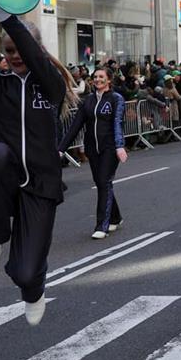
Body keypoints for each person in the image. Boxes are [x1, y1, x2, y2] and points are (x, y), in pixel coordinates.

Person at [0, 0, 72, 326]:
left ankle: (33, 290)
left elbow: (37, 59)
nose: (14, 57)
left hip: (40, 184)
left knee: (26, 272)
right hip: (1, 176)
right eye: (8, 51)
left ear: (35, 50)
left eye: (20, 50)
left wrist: (5, 15)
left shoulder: (50, 85)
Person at [58, 67, 128, 239]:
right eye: (95, 77)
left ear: (109, 80)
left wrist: (119, 146)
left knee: (103, 182)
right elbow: (75, 126)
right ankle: (115, 217)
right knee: (102, 182)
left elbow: (118, 124)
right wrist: (61, 149)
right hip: (92, 148)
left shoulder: (116, 99)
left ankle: (101, 225)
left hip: (110, 148)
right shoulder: (87, 101)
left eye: (101, 77)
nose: (97, 79)